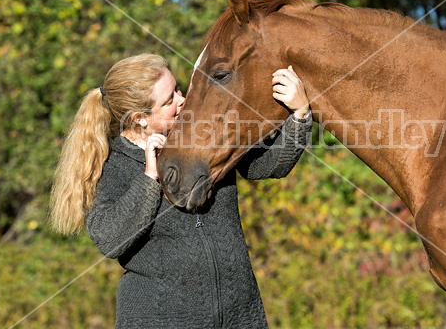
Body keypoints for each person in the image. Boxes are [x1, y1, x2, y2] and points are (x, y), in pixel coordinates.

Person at [49, 53, 312, 328]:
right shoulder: (112, 165)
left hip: (240, 317)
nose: (182, 99)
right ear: (139, 118)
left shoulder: (205, 132)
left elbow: (265, 165)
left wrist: (300, 114)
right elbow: (110, 239)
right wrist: (149, 178)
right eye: (168, 100)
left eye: (177, 88)